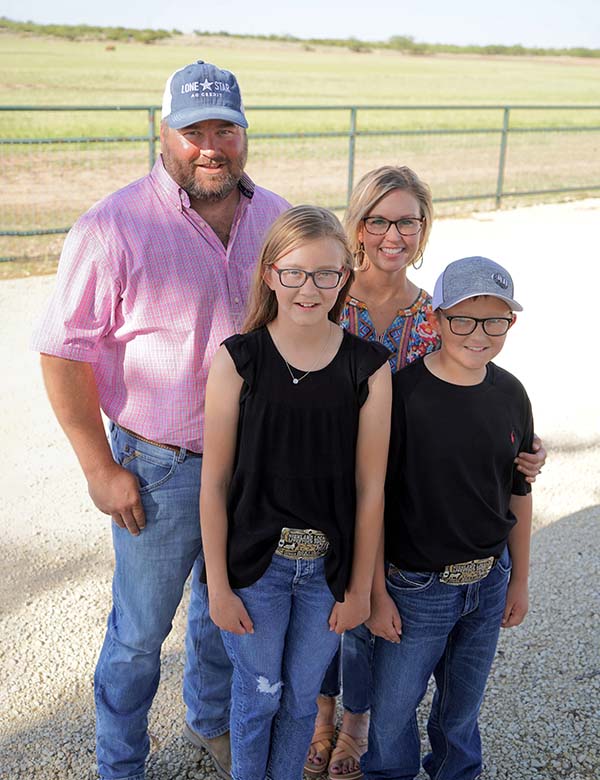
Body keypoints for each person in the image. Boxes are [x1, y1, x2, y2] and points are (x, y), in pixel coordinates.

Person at [31, 60, 289, 780]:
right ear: (163, 133)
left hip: (252, 466)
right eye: (193, 130)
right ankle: (120, 763)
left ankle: (210, 724)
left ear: (244, 133)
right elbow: (62, 352)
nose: (211, 145)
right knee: (141, 634)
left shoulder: (275, 217)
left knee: (221, 613)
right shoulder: (112, 228)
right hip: (158, 466)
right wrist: (99, 469)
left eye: (225, 129)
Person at [304, 167, 545, 780]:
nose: (392, 233)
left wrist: (524, 453)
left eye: (407, 221)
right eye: (379, 220)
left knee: (373, 627)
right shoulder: (324, 294)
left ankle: (360, 729)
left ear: (422, 229)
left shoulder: (429, 312)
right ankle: (323, 718)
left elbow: (479, 414)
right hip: (320, 485)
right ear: (358, 226)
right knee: (325, 611)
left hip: (400, 496)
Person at [199, 205, 392, 780]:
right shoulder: (239, 360)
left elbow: (371, 487)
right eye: (295, 273)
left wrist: (359, 587)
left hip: (326, 575)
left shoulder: (368, 368)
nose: (309, 288)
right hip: (256, 569)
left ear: (344, 280)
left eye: (326, 275)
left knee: (302, 702)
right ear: (269, 274)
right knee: (259, 695)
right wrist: (216, 585)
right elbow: (214, 483)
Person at [363, 255, 534, 780]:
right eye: (462, 319)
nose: (478, 334)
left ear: (510, 323)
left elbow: (518, 490)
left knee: (461, 708)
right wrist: (375, 591)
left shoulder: (511, 393)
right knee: (392, 713)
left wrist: (519, 580)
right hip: (417, 588)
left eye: (494, 321)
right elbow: (372, 498)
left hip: (488, 580)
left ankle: (458, 772)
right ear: (435, 319)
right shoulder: (402, 394)